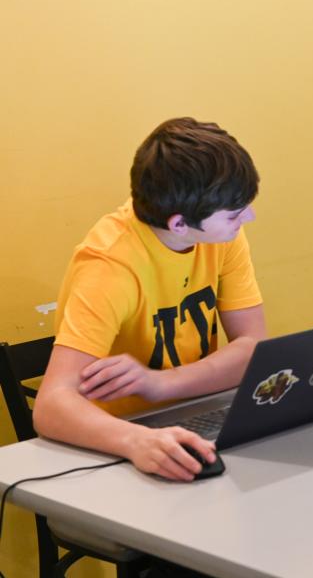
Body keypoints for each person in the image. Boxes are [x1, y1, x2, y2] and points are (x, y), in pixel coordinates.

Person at [33, 117, 266, 483]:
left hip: (198, 413)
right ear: (178, 224)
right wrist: (135, 440)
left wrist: (161, 384)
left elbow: (253, 348)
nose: (248, 218)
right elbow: (51, 406)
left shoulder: (220, 236)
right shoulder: (109, 266)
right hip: (120, 439)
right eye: (235, 214)